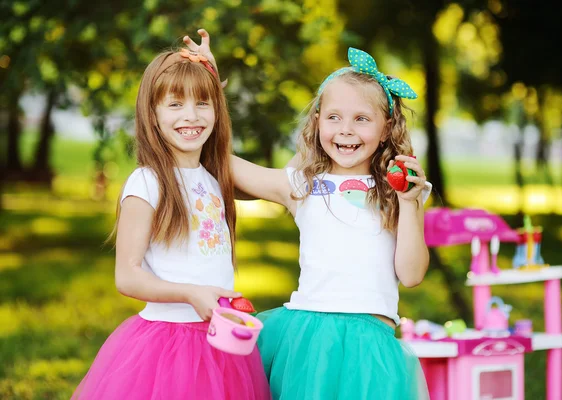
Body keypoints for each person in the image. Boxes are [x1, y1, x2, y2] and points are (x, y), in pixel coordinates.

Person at [185, 31, 431, 399]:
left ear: (386, 129)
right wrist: (211, 91)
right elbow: (221, 163)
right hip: (306, 343)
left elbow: (411, 275)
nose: (346, 129)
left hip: (370, 349)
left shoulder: (397, 191)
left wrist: (410, 204)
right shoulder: (302, 184)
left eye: (362, 119)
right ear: (317, 123)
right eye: (334, 117)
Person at [72, 47, 270, 399]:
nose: (190, 117)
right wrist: (190, 293)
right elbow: (127, 275)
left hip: (219, 342)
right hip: (167, 344)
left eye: (202, 104)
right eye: (175, 104)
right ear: (152, 113)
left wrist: (209, 75)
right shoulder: (147, 183)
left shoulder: (214, 177)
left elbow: (283, 184)